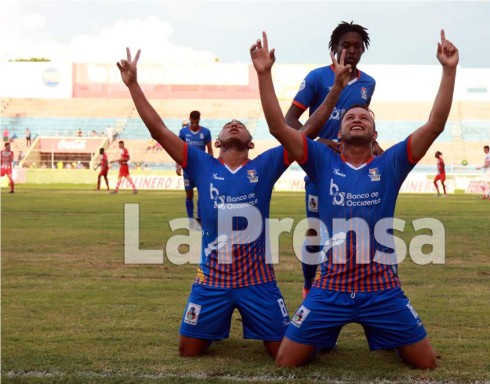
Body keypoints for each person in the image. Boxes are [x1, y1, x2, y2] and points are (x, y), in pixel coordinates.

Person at [116, 46, 349, 358]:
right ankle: (217, 318)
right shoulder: (201, 164)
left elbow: (307, 130)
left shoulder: (264, 165)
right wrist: (133, 85)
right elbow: (158, 130)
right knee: (188, 351)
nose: (235, 124)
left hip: (259, 282)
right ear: (218, 141)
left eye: (240, 124)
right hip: (212, 280)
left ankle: (258, 316)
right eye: (229, 124)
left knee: (283, 353)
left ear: (251, 143)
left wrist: (334, 91)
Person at [251, 29, 458, 369]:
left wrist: (448, 70)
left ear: (375, 133)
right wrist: (264, 75)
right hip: (330, 288)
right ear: (340, 131)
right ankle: (316, 311)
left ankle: (390, 329)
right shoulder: (321, 159)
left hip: (383, 290)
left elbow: (435, 124)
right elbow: (279, 127)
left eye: (364, 117)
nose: (357, 118)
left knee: (426, 364)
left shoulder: (391, 163)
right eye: (350, 117)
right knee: (286, 362)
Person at [284, 21, 377, 299]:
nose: (351, 50)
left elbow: (361, 122)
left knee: (357, 233)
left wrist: (377, 147)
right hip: (320, 166)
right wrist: (316, 143)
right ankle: (309, 289)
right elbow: (290, 120)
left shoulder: (368, 84)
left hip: (352, 168)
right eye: (345, 45)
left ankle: (357, 291)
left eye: (357, 46)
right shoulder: (316, 78)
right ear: (334, 48)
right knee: (316, 233)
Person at [176, 110, 214, 229]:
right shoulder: (183, 132)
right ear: (189, 120)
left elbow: (209, 150)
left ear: (199, 121)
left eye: (196, 122)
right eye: (192, 122)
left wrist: (211, 164)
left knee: (202, 193)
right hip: (187, 168)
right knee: (189, 194)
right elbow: (178, 149)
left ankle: (199, 218)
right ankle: (190, 220)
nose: (194, 125)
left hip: (201, 168)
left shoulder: (206, 132)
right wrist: (178, 165)